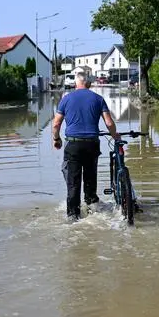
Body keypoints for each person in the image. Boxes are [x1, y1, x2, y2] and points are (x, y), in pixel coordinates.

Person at [52, 72, 120, 221]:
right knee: (90, 178)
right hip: (91, 144)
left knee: (73, 182)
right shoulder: (98, 99)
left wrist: (56, 139)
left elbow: (56, 123)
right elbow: (109, 123)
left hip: (73, 145)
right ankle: (92, 207)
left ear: (76, 84)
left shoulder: (66, 99)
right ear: (88, 83)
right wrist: (116, 136)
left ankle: (72, 215)